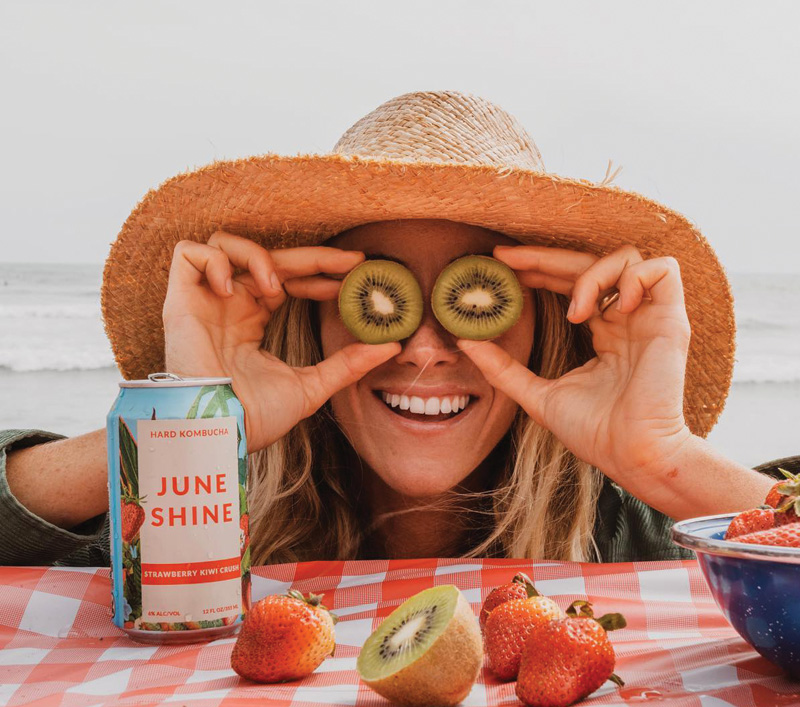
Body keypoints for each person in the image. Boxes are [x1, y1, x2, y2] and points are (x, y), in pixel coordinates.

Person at [1, 90, 795, 568]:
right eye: (375, 295)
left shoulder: (647, 530)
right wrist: (188, 428)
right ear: (304, 319)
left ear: (550, 323)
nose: (422, 346)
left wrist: (668, 459)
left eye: (474, 296)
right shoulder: (193, 519)